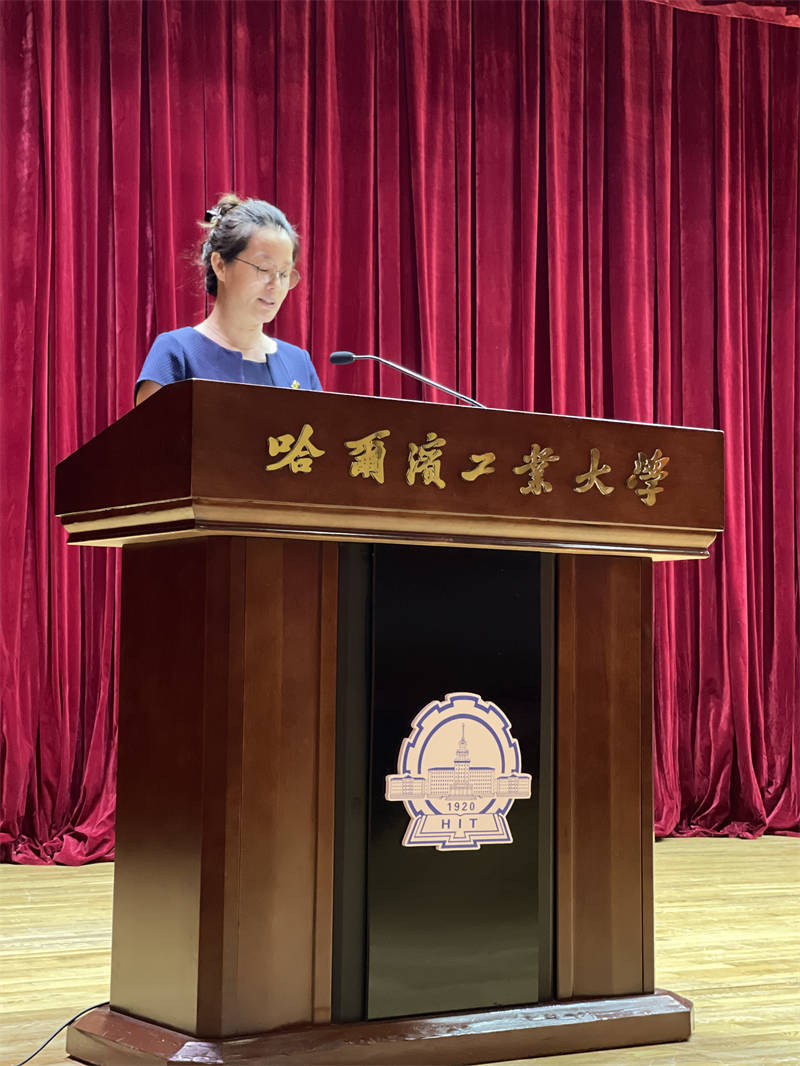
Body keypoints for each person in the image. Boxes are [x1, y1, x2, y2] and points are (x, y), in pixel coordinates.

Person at [135, 194, 322, 405]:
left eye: (284, 274)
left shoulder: (298, 362)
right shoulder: (177, 353)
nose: (275, 285)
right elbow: (149, 426)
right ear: (220, 265)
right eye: (264, 269)